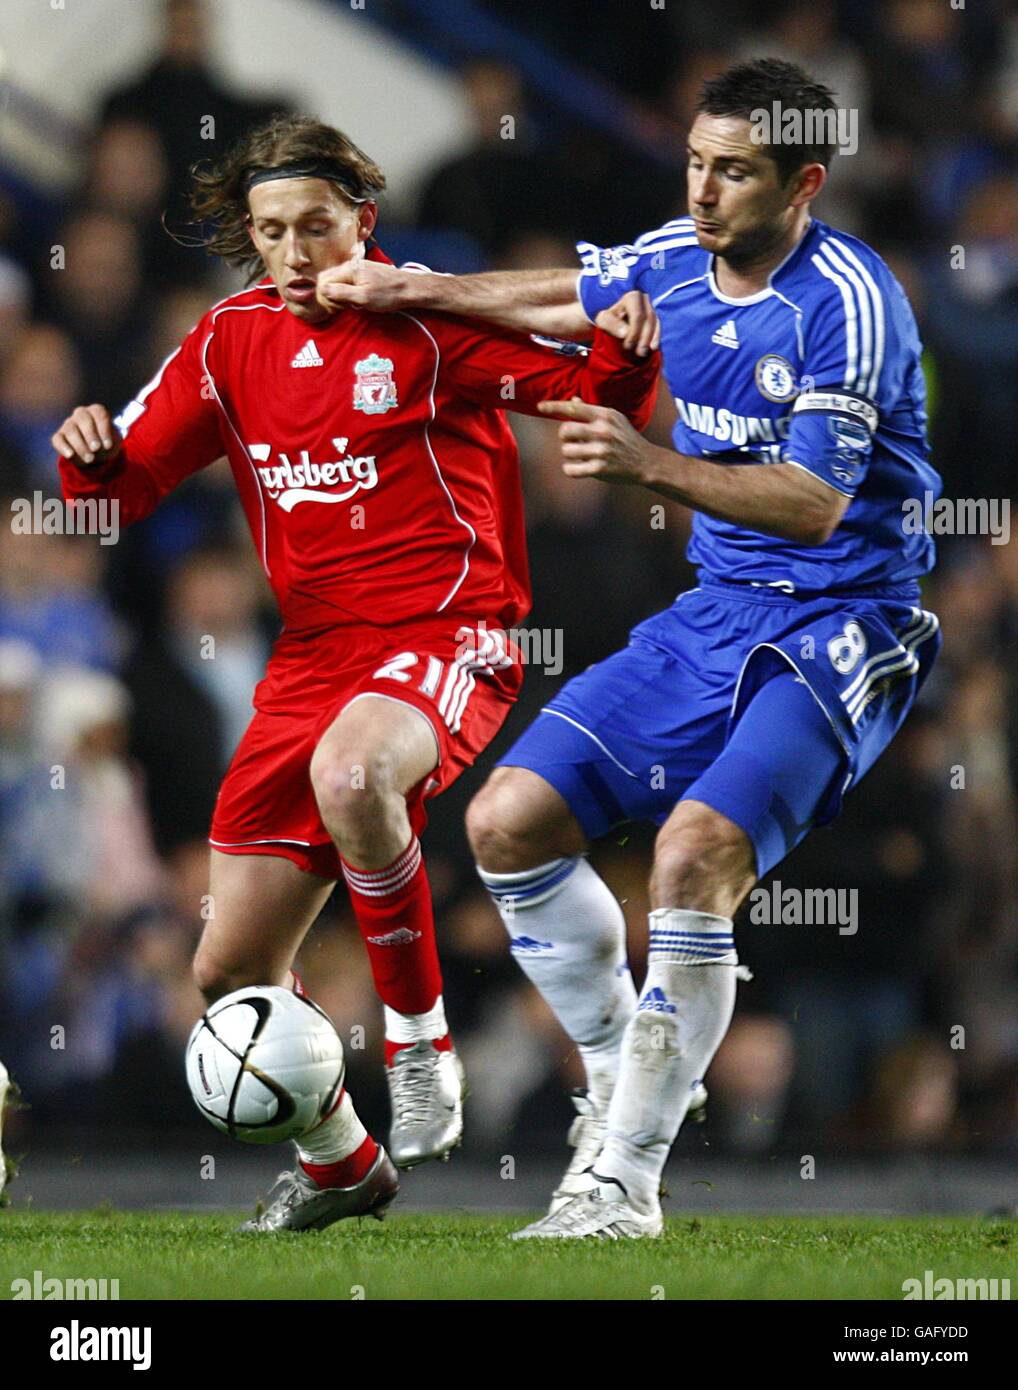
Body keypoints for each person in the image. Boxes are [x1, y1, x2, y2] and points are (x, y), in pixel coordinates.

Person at [318, 58, 943, 1238]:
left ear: (803, 182)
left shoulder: (847, 302)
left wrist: (645, 460)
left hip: (844, 619)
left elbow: (813, 501)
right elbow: (569, 292)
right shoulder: (675, 253)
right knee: (505, 822)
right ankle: (616, 1068)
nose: (704, 191)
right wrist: (417, 287)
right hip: (715, 611)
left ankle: (623, 1182)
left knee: (695, 852)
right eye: (697, 162)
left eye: (735, 172)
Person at [53, 115, 659, 1233]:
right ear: (250, 236)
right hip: (312, 658)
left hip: (451, 630)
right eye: (273, 232)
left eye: (317, 229)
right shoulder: (227, 341)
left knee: (353, 774)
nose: (295, 253)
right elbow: (117, 491)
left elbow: (603, 397)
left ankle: (418, 1044)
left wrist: (622, 345)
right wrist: (85, 454)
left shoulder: (426, 325)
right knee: (225, 971)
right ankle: (341, 1162)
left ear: (361, 227)